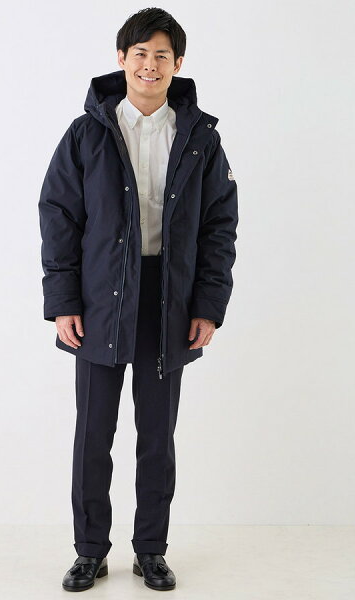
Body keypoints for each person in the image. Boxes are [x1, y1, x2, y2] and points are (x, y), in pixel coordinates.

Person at [38, 7, 239, 592]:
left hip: (169, 300)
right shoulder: (87, 134)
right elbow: (59, 217)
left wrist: (208, 305)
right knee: (93, 434)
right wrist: (64, 300)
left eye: (162, 56)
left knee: (157, 436)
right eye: (140, 54)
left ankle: (151, 550)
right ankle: (89, 552)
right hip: (99, 299)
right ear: (121, 58)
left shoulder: (201, 139)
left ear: (178, 64)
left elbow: (219, 225)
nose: (150, 65)